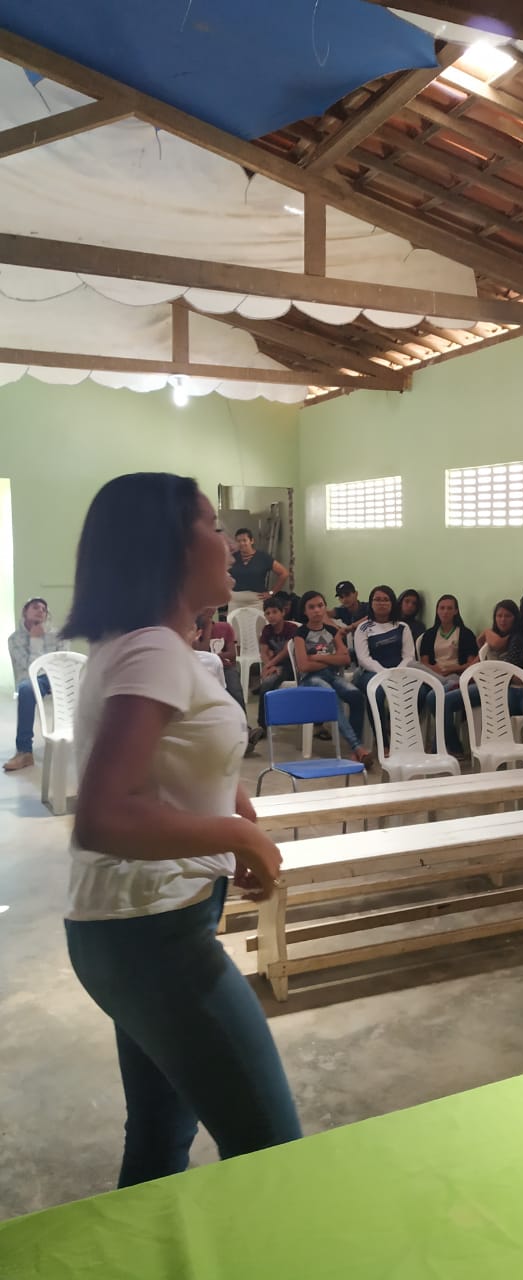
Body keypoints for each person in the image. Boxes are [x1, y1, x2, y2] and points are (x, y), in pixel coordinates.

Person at [60, 472, 300, 1188]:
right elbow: (104, 814)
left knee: (163, 1133)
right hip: (152, 934)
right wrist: (240, 837)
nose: (230, 544)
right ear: (170, 545)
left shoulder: (150, 646)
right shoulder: (154, 651)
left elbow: (172, 755)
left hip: (135, 927)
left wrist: (233, 807)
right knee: (272, 1151)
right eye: (211, 527)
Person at [293, 592, 371, 767]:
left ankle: (354, 750)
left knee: (356, 696)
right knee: (330, 695)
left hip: (332, 676)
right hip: (310, 679)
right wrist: (332, 658)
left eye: (320, 605)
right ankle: (357, 747)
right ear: (305, 611)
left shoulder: (333, 631)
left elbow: (345, 659)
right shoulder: (300, 633)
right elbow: (303, 666)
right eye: (311, 607)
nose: (317, 610)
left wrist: (317, 658)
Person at [5, 597, 66, 772]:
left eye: (44, 609)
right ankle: (24, 752)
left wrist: (53, 674)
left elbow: (64, 662)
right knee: (26, 689)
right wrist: (36, 640)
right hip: (31, 678)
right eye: (35, 607)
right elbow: (30, 670)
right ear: (25, 612)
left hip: (55, 676)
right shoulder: (14, 639)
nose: (40, 611)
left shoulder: (58, 635)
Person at [416, 594, 480, 753]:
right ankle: (452, 745)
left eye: (449, 608)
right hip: (433, 674)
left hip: (455, 675)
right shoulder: (430, 634)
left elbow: (470, 664)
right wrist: (435, 670)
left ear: (456, 611)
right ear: (437, 611)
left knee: (434, 697)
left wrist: (451, 669)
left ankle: (443, 747)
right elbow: (424, 662)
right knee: (412, 664)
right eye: (442, 608)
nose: (445, 612)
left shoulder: (465, 633)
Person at [354, 586, 415, 739]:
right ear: (371, 603)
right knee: (377, 693)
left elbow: (409, 656)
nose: (381, 603)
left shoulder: (402, 627)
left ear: (392, 603)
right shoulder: (363, 628)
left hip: (400, 672)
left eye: (386, 600)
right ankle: (383, 740)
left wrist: (397, 672)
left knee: (419, 693)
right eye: (377, 600)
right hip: (371, 673)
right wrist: (384, 673)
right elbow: (363, 658)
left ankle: (401, 733)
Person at [252, 596, 300, 738]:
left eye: (274, 612)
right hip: (275, 665)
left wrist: (270, 665)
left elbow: (286, 652)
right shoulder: (267, 630)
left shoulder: (291, 628)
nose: (271, 616)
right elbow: (263, 651)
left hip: (291, 666)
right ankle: (263, 725)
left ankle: (263, 724)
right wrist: (269, 666)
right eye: (267, 613)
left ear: (282, 612)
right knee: (267, 682)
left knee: (267, 683)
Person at [228, 528, 288, 608]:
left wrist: (271, 592)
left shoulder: (263, 557)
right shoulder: (232, 557)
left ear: (252, 541)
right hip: (235, 601)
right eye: (238, 541)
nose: (241, 543)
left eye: (244, 540)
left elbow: (284, 573)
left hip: (257, 601)